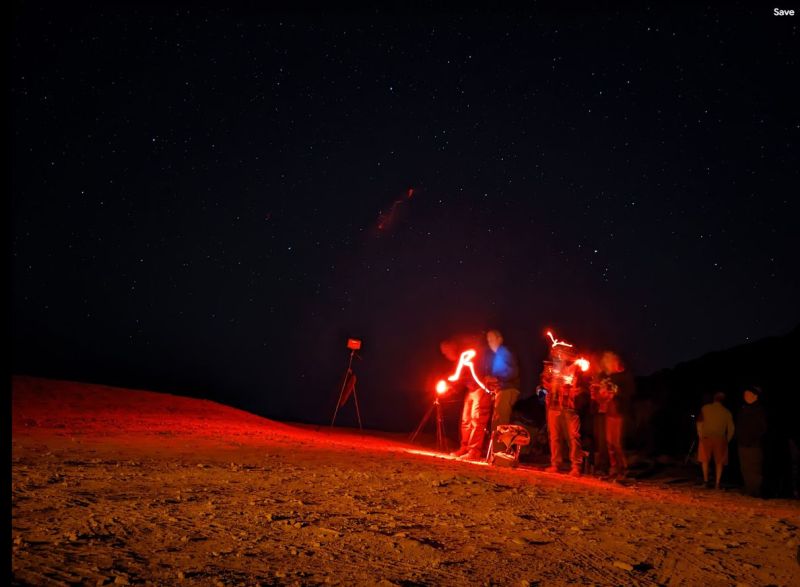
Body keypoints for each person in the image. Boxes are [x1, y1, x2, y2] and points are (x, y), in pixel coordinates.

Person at [441, 334, 492, 461]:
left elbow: (475, 372)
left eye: (446, 352)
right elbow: (459, 380)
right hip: (471, 390)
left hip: (482, 389)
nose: (445, 355)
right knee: (466, 420)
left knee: (477, 420)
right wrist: (449, 388)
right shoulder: (460, 360)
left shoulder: (468, 356)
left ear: (452, 347)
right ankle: (464, 448)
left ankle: (474, 451)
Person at [542, 343, 584, 476]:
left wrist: (574, 391)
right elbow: (544, 383)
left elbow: (584, 388)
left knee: (573, 436)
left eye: (560, 352)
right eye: (556, 353)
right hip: (554, 406)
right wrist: (549, 384)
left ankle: (576, 466)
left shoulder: (577, 368)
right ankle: (555, 464)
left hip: (570, 407)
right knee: (554, 436)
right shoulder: (551, 367)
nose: (557, 355)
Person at [591, 351, 633, 479]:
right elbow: (601, 395)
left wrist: (615, 390)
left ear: (614, 362)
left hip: (619, 413)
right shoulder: (608, 377)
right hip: (608, 413)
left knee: (617, 443)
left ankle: (624, 469)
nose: (606, 365)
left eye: (608, 362)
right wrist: (597, 393)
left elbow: (629, 392)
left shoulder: (625, 376)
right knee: (609, 442)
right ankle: (614, 468)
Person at [484, 329, 521, 434]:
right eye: (488, 340)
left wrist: (496, 379)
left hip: (507, 390)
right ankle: (498, 448)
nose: (489, 342)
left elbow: (513, 371)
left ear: (500, 339)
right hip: (502, 390)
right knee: (498, 420)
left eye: (492, 339)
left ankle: (499, 449)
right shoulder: (499, 354)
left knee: (500, 422)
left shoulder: (504, 351)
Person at [696, 392, 735, 489]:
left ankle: (705, 481)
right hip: (720, 438)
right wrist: (727, 440)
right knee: (719, 462)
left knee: (705, 460)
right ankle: (717, 483)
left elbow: (699, 423)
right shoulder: (726, 412)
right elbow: (731, 428)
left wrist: (700, 435)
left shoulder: (705, 408)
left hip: (706, 437)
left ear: (714, 398)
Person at [736, 386, 767, 497]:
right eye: (744, 394)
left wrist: (751, 439)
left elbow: (762, 428)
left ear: (755, 396)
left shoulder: (759, 410)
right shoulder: (744, 408)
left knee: (754, 469)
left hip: (754, 445)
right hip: (742, 444)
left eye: (748, 394)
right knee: (745, 468)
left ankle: (756, 492)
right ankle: (749, 489)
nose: (745, 396)